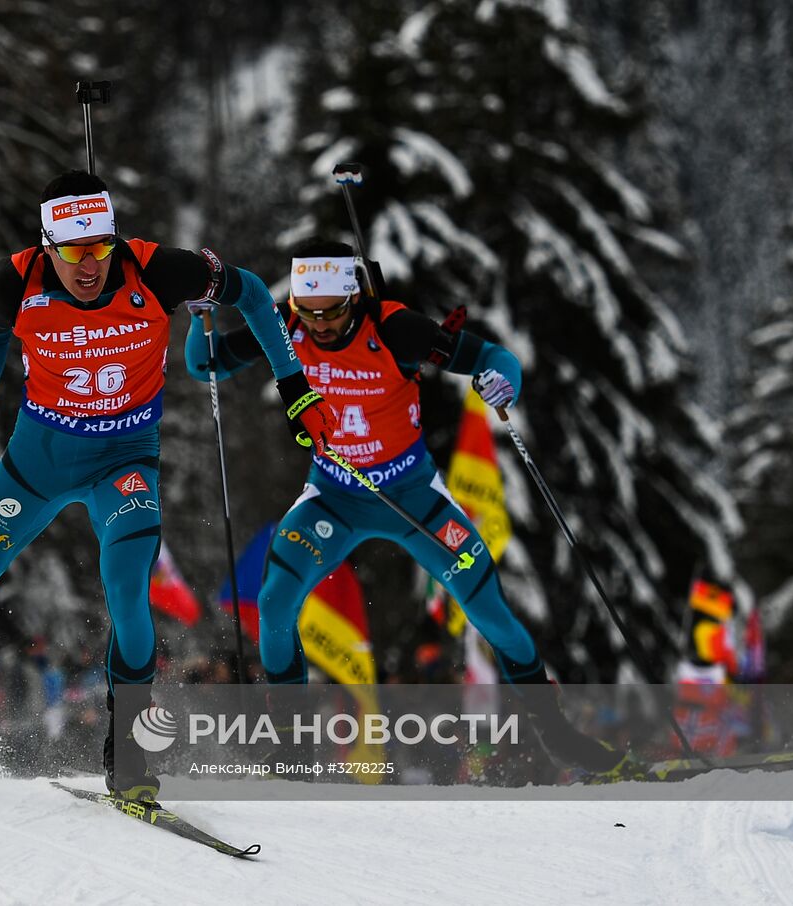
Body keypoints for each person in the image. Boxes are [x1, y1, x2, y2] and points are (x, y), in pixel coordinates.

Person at [0, 170, 336, 800]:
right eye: (74, 252)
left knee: (130, 592)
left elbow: (253, 297)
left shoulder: (157, 270)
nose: (90, 266)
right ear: (49, 245)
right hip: (37, 462)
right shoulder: (15, 280)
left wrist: (296, 388)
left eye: (101, 247)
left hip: (124, 461)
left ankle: (125, 747)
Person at [185, 237, 623, 774]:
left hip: (413, 499)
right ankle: (292, 747)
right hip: (334, 497)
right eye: (309, 312)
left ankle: (557, 735)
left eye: (333, 313)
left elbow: (492, 356)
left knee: (491, 614)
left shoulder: (394, 328)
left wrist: (502, 381)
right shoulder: (285, 326)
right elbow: (207, 364)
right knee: (275, 602)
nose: (319, 327)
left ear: (353, 297)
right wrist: (199, 317)